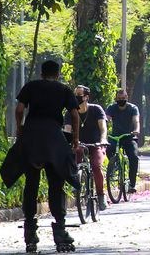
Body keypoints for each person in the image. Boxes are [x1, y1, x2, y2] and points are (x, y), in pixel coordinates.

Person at [9, 59, 80, 252]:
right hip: (53, 139)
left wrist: (20, 130)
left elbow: (19, 109)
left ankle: (30, 232)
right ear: (58, 74)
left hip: (32, 137)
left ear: (41, 73)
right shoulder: (64, 89)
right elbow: (75, 115)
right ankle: (60, 231)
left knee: (31, 183)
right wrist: (75, 138)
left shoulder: (31, 86)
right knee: (56, 184)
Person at [72, 85, 108, 211]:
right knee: (74, 157)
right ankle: (76, 180)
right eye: (75, 95)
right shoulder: (71, 112)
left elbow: (103, 127)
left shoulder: (96, 109)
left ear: (86, 97)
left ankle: (101, 195)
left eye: (79, 95)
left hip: (95, 144)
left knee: (96, 166)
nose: (76, 98)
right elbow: (67, 128)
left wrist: (103, 140)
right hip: (80, 144)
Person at [105, 88, 140, 193]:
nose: (121, 100)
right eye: (119, 98)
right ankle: (115, 165)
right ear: (116, 98)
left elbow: (136, 121)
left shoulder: (133, 108)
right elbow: (106, 120)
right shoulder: (112, 108)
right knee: (109, 149)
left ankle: (132, 184)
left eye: (123, 98)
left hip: (129, 137)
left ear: (127, 97)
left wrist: (136, 130)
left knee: (134, 157)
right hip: (115, 137)